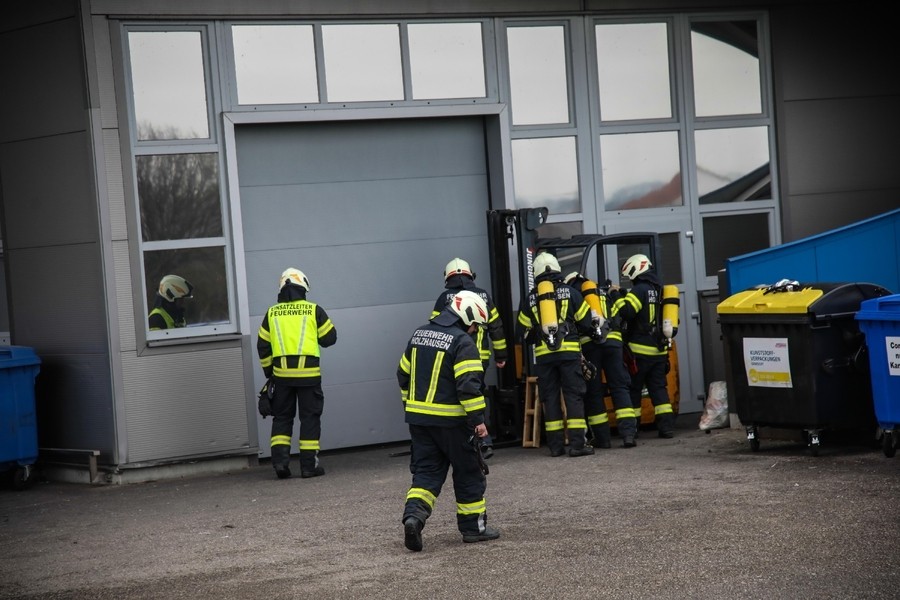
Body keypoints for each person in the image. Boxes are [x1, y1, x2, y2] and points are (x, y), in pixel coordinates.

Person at [398, 290, 499, 552]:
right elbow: (468, 387)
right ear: (467, 317)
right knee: (469, 473)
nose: (476, 330)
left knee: (426, 474)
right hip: (454, 424)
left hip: (420, 422)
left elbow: (402, 374)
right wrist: (478, 421)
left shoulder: (419, 334)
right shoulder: (463, 342)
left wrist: (410, 406)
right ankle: (473, 529)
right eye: (476, 324)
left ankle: (414, 518)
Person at [257, 268, 337, 479]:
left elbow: (262, 346)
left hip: (281, 377)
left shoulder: (272, 313)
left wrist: (270, 373)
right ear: (303, 287)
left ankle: (280, 465)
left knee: (282, 418)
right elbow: (330, 338)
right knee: (309, 419)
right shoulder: (313, 310)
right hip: (309, 377)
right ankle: (309, 467)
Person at [516, 252, 595, 457]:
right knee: (573, 396)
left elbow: (521, 333)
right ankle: (578, 445)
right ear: (558, 270)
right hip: (569, 354)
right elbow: (587, 322)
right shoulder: (572, 293)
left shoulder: (531, 299)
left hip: (544, 357)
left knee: (549, 398)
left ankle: (556, 447)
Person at [432, 257, 508, 460]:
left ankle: (468, 441)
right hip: (478, 359)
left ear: (447, 277)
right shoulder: (482, 295)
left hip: (450, 358)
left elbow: (436, 327)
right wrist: (501, 355)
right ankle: (483, 441)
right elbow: (496, 326)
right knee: (475, 395)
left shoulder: (444, 297)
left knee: (456, 396)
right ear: (470, 275)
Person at [563, 272, 638, 448]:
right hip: (614, 343)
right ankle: (628, 435)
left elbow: (578, 322)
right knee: (619, 387)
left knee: (594, 391)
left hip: (590, 345)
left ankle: (603, 439)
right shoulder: (602, 292)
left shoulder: (575, 294)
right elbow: (619, 316)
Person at [613, 254, 676, 438]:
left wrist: (616, 295)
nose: (631, 280)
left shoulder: (639, 290)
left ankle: (633, 430)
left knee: (634, 390)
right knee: (658, 390)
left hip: (640, 352)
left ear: (636, 270)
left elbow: (627, 312)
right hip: (659, 351)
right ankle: (667, 428)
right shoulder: (659, 289)